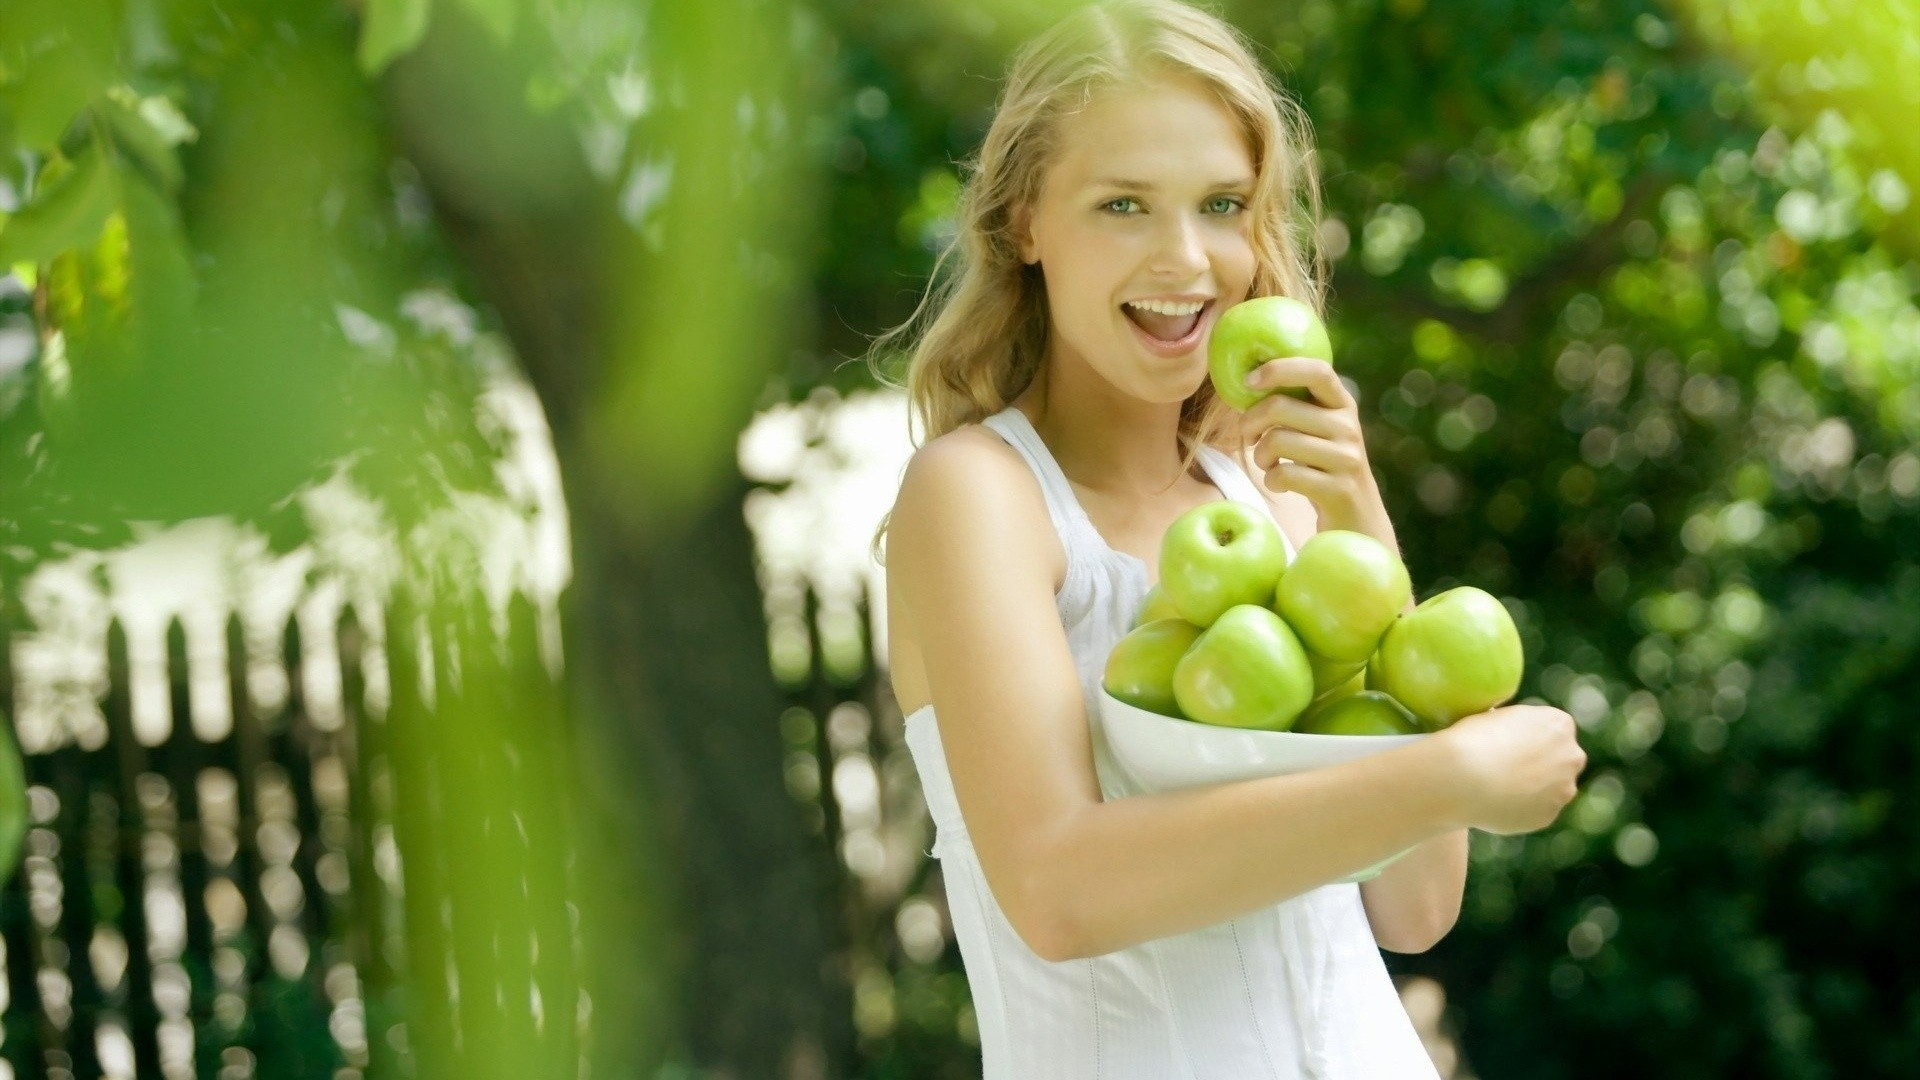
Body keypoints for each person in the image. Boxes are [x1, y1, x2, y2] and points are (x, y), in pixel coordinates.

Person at [868, 1, 1588, 1075]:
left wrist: (1356, 515)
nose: (1187, 260)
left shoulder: (1275, 504)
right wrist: (1449, 775)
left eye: (1222, 204)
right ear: (1025, 222)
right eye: (1123, 205)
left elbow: (1414, 903)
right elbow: (1061, 891)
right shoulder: (977, 497)